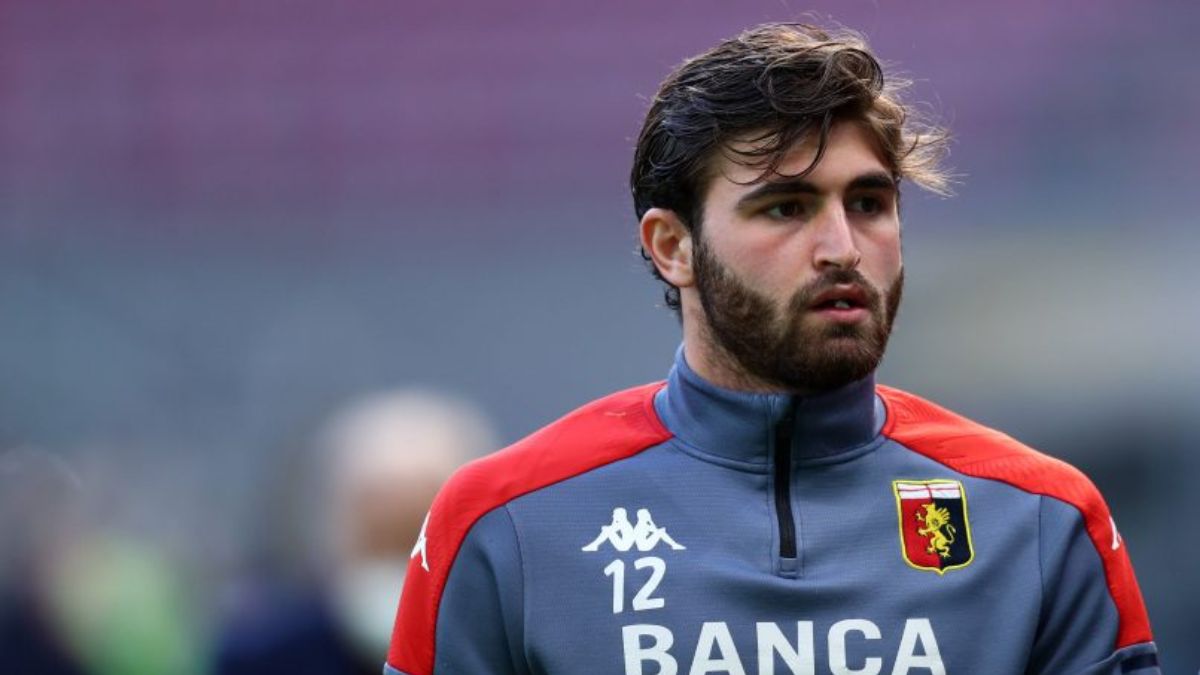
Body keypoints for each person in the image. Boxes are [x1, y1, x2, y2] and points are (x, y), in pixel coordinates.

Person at [384, 23, 1159, 674]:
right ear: (672, 246)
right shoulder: (506, 525)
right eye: (786, 207)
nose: (842, 247)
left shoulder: (1041, 522)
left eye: (869, 202)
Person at [216, 389, 493, 675]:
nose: (401, 565)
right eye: (379, 538)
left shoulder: (506, 651)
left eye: (411, 536)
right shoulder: (262, 657)